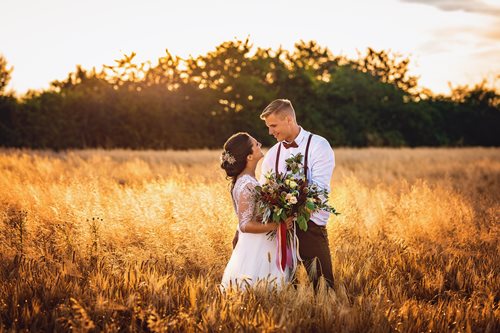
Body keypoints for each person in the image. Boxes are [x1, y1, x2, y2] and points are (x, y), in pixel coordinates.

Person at [259, 99, 336, 289]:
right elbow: (264, 190)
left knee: (324, 289)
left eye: (273, 125)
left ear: (288, 120)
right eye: (268, 127)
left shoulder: (319, 145)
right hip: (279, 233)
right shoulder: (272, 153)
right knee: (286, 291)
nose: (270, 132)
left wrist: (296, 215)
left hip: (311, 228)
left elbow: (320, 189)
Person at [220, 132, 292, 290]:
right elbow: (245, 225)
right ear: (249, 157)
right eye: (255, 144)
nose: (259, 143)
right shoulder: (247, 184)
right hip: (257, 248)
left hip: (260, 244)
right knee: (260, 290)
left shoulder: (249, 181)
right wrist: (277, 225)